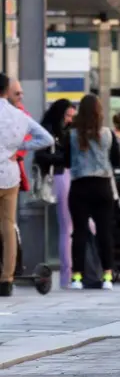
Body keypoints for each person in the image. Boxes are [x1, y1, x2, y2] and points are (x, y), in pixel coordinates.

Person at [0, 73, 54, 296]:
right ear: (7, 90)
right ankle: (6, 279)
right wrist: (19, 147)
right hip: (9, 176)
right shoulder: (18, 115)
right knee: (8, 226)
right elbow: (46, 139)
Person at [65, 94, 120, 290]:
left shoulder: (72, 135)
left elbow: (66, 161)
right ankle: (107, 276)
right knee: (104, 232)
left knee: (79, 232)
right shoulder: (108, 134)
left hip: (80, 186)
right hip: (102, 186)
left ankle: (77, 277)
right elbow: (116, 160)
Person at [34, 99, 77, 288]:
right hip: (59, 176)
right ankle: (67, 276)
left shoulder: (65, 130)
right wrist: (63, 157)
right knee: (67, 227)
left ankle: (71, 273)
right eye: (67, 115)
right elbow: (40, 156)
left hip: (65, 175)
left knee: (71, 226)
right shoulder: (49, 130)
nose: (70, 120)